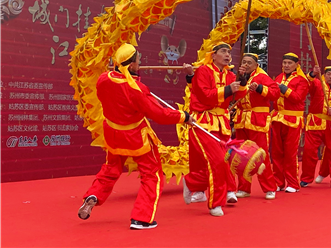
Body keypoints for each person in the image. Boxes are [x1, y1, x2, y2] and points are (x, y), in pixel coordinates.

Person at [77, 43, 193, 230]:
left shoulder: (103, 79)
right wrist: (184, 116)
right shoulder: (137, 90)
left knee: (110, 169)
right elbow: (159, 115)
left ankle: (94, 195)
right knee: (152, 175)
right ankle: (142, 218)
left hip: (114, 134)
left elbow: (120, 87)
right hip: (136, 137)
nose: (140, 63)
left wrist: (135, 79)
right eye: (138, 60)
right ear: (131, 65)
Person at [183, 43, 247, 217]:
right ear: (214, 55)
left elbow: (239, 95)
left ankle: (191, 182)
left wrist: (243, 80)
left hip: (222, 123)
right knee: (217, 161)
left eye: (229, 52)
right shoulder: (203, 71)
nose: (227, 55)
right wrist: (228, 89)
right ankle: (216, 203)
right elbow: (204, 96)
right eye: (223, 52)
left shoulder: (230, 74)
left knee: (223, 161)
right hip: (202, 122)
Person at [233, 53, 279, 200]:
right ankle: (243, 188)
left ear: (256, 64)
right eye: (244, 62)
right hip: (241, 120)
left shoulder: (262, 77)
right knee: (241, 155)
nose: (246, 65)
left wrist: (259, 88)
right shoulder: (238, 77)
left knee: (261, 155)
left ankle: (269, 188)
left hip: (257, 120)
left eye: (249, 63)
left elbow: (275, 93)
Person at [300, 65, 331, 189]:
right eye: (328, 74)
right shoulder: (317, 84)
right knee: (309, 151)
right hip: (315, 122)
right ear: (324, 75)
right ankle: (306, 179)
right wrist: (313, 73)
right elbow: (306, 85)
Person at [271, 53, 310, 193]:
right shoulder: (279, 77)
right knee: (276, 152)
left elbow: (298, 98)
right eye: (284, 63)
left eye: (289, 63)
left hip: (293, 120)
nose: (286, 65)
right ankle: (278, 182)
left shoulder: (302, 80)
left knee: (290, 153)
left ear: (296, 65)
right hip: (277, 118)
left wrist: (283, 89)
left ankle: (293, 183)